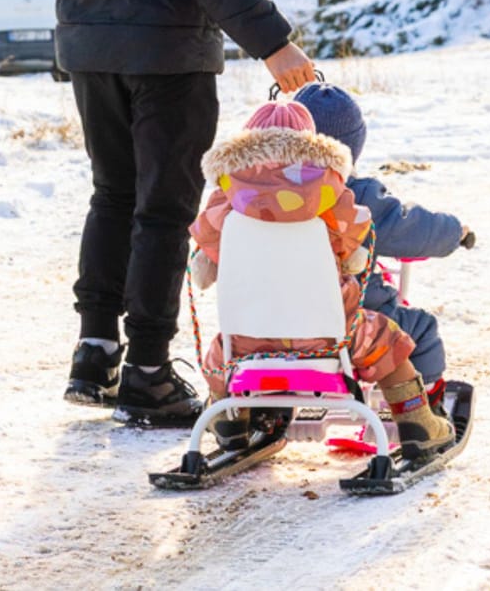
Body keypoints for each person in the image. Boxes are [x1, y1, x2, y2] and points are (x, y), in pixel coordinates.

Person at [27, 0, 318, 427]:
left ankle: (94, 353)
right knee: (163, 208)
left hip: (90, 44)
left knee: (113, 193)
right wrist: (273, 43)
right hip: (167, 49)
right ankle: (147, 371)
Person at [188, 100, 455, 459]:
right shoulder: (328, 198)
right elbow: (354, 242)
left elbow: (207, 245)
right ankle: (419, 424)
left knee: (220, 356)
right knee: (388, 342)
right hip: (329, 339)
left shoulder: (225, 203)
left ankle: (229, 423)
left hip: (249, 340)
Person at [294, 83, 475, 413]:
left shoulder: (253, 201)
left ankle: (246, 419)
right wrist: (454, 232)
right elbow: (409, 228)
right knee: (418, 331)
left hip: (268, 328)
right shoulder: (356, 197)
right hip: (350, 326)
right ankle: (422, 412)